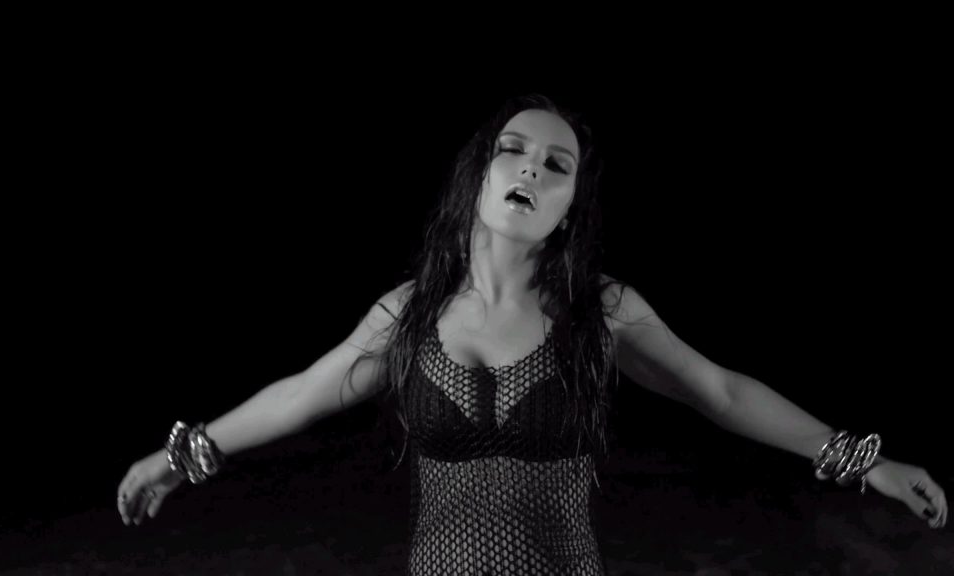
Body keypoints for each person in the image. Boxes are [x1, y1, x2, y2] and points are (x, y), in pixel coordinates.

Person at [117, 94, 947, 575]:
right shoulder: (410, 312)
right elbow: (302, 393)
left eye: (556, 166)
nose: (530, 170)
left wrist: (862, 460)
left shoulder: (603, 311)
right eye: (514, 152)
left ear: (569, 208)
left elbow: (721, 392)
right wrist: (184, 455)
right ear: (479, 177)